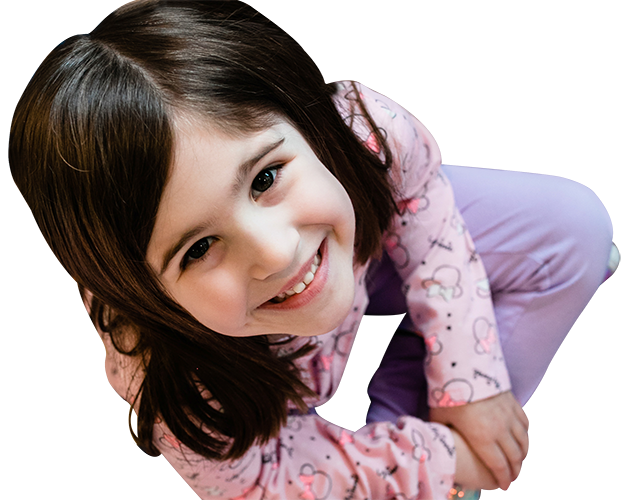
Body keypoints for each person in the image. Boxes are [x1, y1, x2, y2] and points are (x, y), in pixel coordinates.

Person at [9, 1, 614, 498]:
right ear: (141, 293)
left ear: (304, 115)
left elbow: (426, 204)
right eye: (198, 248)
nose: (274, 251)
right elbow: (269, 477)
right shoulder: (180, 396)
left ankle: (431, 372)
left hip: (366, 243)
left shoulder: (357, 130)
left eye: (266, 177)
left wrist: (473, 386)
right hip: (271, 369)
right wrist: (441, 457)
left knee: (576, 225)